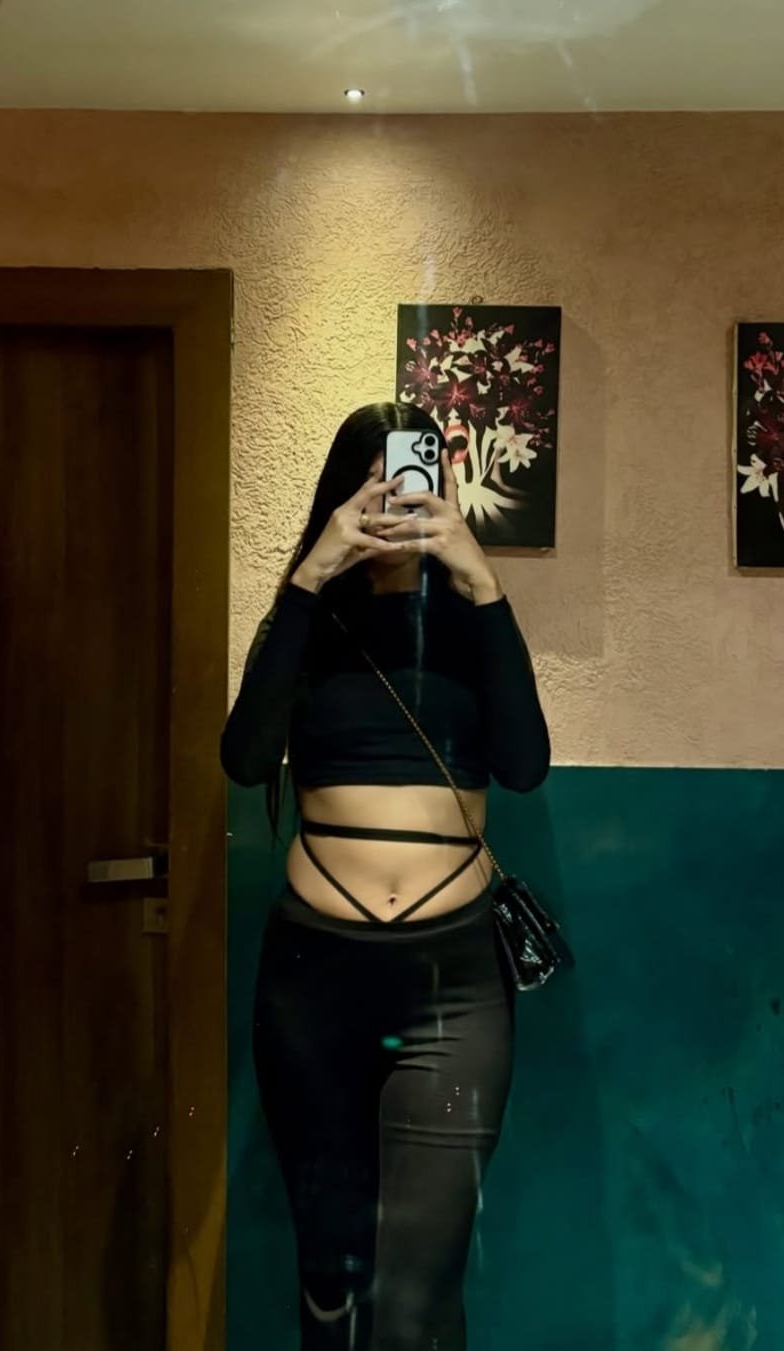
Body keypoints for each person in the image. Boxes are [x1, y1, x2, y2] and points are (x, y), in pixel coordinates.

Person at [221, 403, 550, 1350]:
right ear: (342, 497)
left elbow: (525, 765)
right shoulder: (312, 618)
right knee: (329, 1281)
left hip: (455, 987)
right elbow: (246, 758)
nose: (396, 505)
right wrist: (310, 573)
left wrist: (480, 578)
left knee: (415, 1297)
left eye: (412, 483)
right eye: (375, 487)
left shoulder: (470, 620)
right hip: (314, 981)